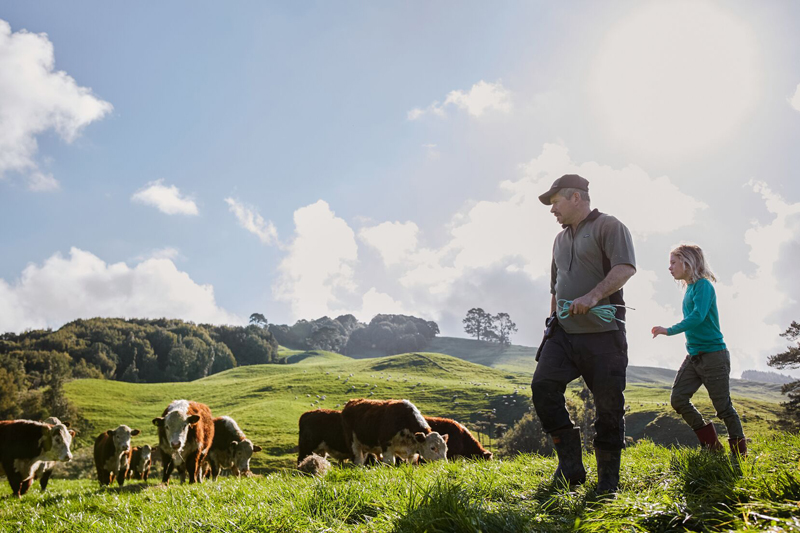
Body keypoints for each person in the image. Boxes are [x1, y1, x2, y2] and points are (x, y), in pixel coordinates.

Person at [531, 174, 636, 495]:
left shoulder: (609, 226)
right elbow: (556, 286)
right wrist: (551, 322)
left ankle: (607, 482)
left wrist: (592, 296)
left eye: (555, 201)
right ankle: (571, 467)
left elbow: (625, 268)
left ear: (576, 197)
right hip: (563, 333)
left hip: (604, 333)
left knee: (608, 407)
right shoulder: (559, 240)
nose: (552, 209)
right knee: (543, 387)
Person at [651, 244, 746, 457]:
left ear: (688, 262)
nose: (670, 267)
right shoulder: (690, 288)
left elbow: (698, 316)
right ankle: (712, 446)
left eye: (673, 262)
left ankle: (740, 454)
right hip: (694, 356)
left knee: (723, 408)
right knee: (678, 399)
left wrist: (669, 330)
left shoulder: (704, 286)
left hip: (713, 356)